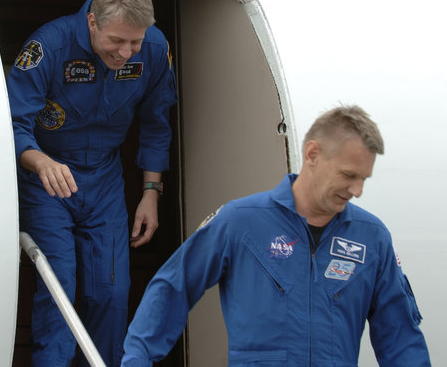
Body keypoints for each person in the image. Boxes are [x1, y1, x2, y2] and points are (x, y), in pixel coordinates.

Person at [122, 105, 431, 366]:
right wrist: (137, 358)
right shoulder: (241, 222)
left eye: (364, 179)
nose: (358, 191)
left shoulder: (372, 238)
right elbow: (173, 287)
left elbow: (400, 336)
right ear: (312, 154)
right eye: (349, 175)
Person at [7, 0, 177, 366]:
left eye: (135, 41)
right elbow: (13, 122)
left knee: (111, 294)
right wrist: (40, 160)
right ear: (92, 21)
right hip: (47, 181)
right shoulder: (49, 45)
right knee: (58, 290)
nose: (125, 53)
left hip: (104, 181)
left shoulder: (153, 49)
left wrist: (152, 192)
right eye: (116, 41)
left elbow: (156, 122)